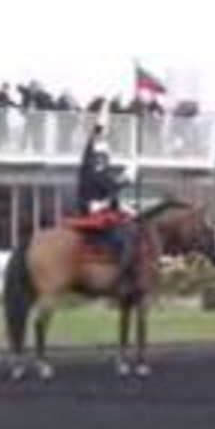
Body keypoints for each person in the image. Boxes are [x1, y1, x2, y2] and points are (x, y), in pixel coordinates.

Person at [75, 113, 139, 297]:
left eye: (103, 157)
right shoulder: (94, 170)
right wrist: (127, 178)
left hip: (100, 211)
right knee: (126, 240)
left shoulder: (97, 169)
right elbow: (111, 187)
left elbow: (112, 196)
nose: (103, 160)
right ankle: (121, 278)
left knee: (128, 225)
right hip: (90, 212)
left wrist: (129, 208)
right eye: (102, 157)